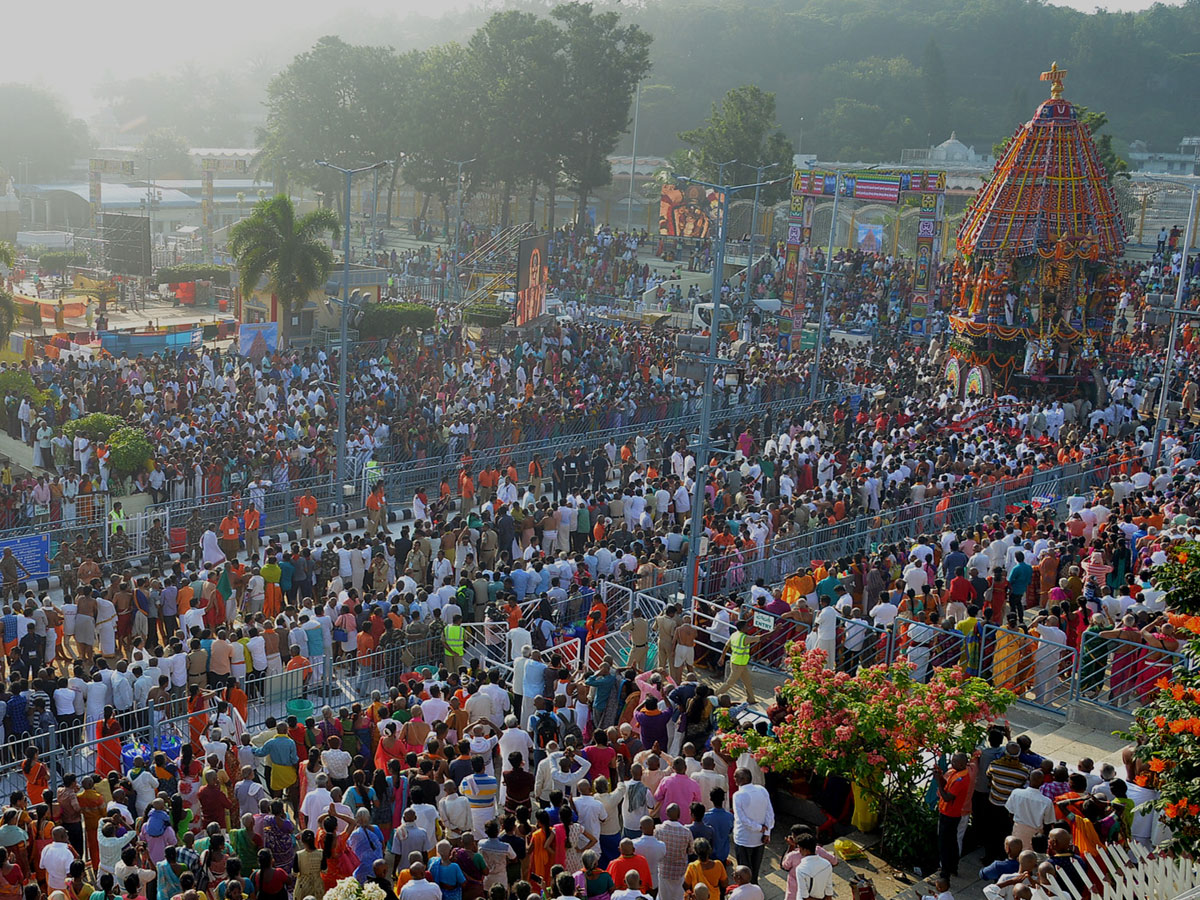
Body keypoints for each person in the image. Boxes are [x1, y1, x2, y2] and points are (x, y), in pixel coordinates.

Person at [730, 769, 772, 883]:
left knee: (744, 871)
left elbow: (742, 819)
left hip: (744, 839)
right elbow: (770, 813)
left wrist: (760, 828)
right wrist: (766, 832)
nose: (734, 780)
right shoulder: (762, 790)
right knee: (755, 870)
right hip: (759, 839)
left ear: (743, 779)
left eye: (735, 777)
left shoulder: (738, 795)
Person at [934, 753, 971, 879]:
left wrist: (938, 783)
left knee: (944, 845)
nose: (951, 763)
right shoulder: (957, 773)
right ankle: (953, 868)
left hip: (949, 815)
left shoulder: (962, 779)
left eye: (954, 762)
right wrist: (940, 778)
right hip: (950, 814)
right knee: (952, 842)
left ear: (961, 764)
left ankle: (945, 874)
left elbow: (947, 797)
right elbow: (948, 787)